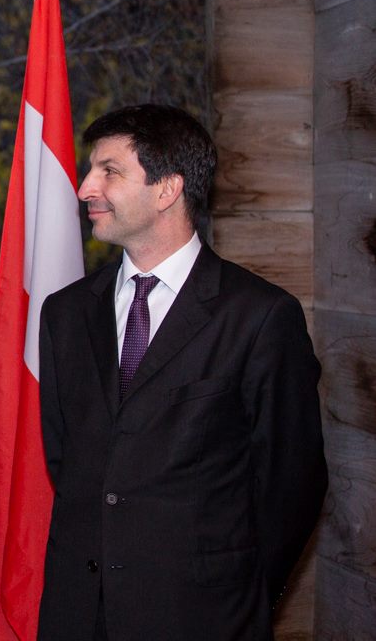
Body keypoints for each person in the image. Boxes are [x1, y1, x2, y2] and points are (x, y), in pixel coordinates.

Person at [37, 104, 327, 641]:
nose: (85, 188)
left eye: (109, 171)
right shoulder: (65, 313)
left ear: (167, 188)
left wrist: (240, 597)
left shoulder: (259, 317)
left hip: (206, 618)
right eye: (90, 169)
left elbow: (292, 484)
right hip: (79, 615)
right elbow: (67, 458)